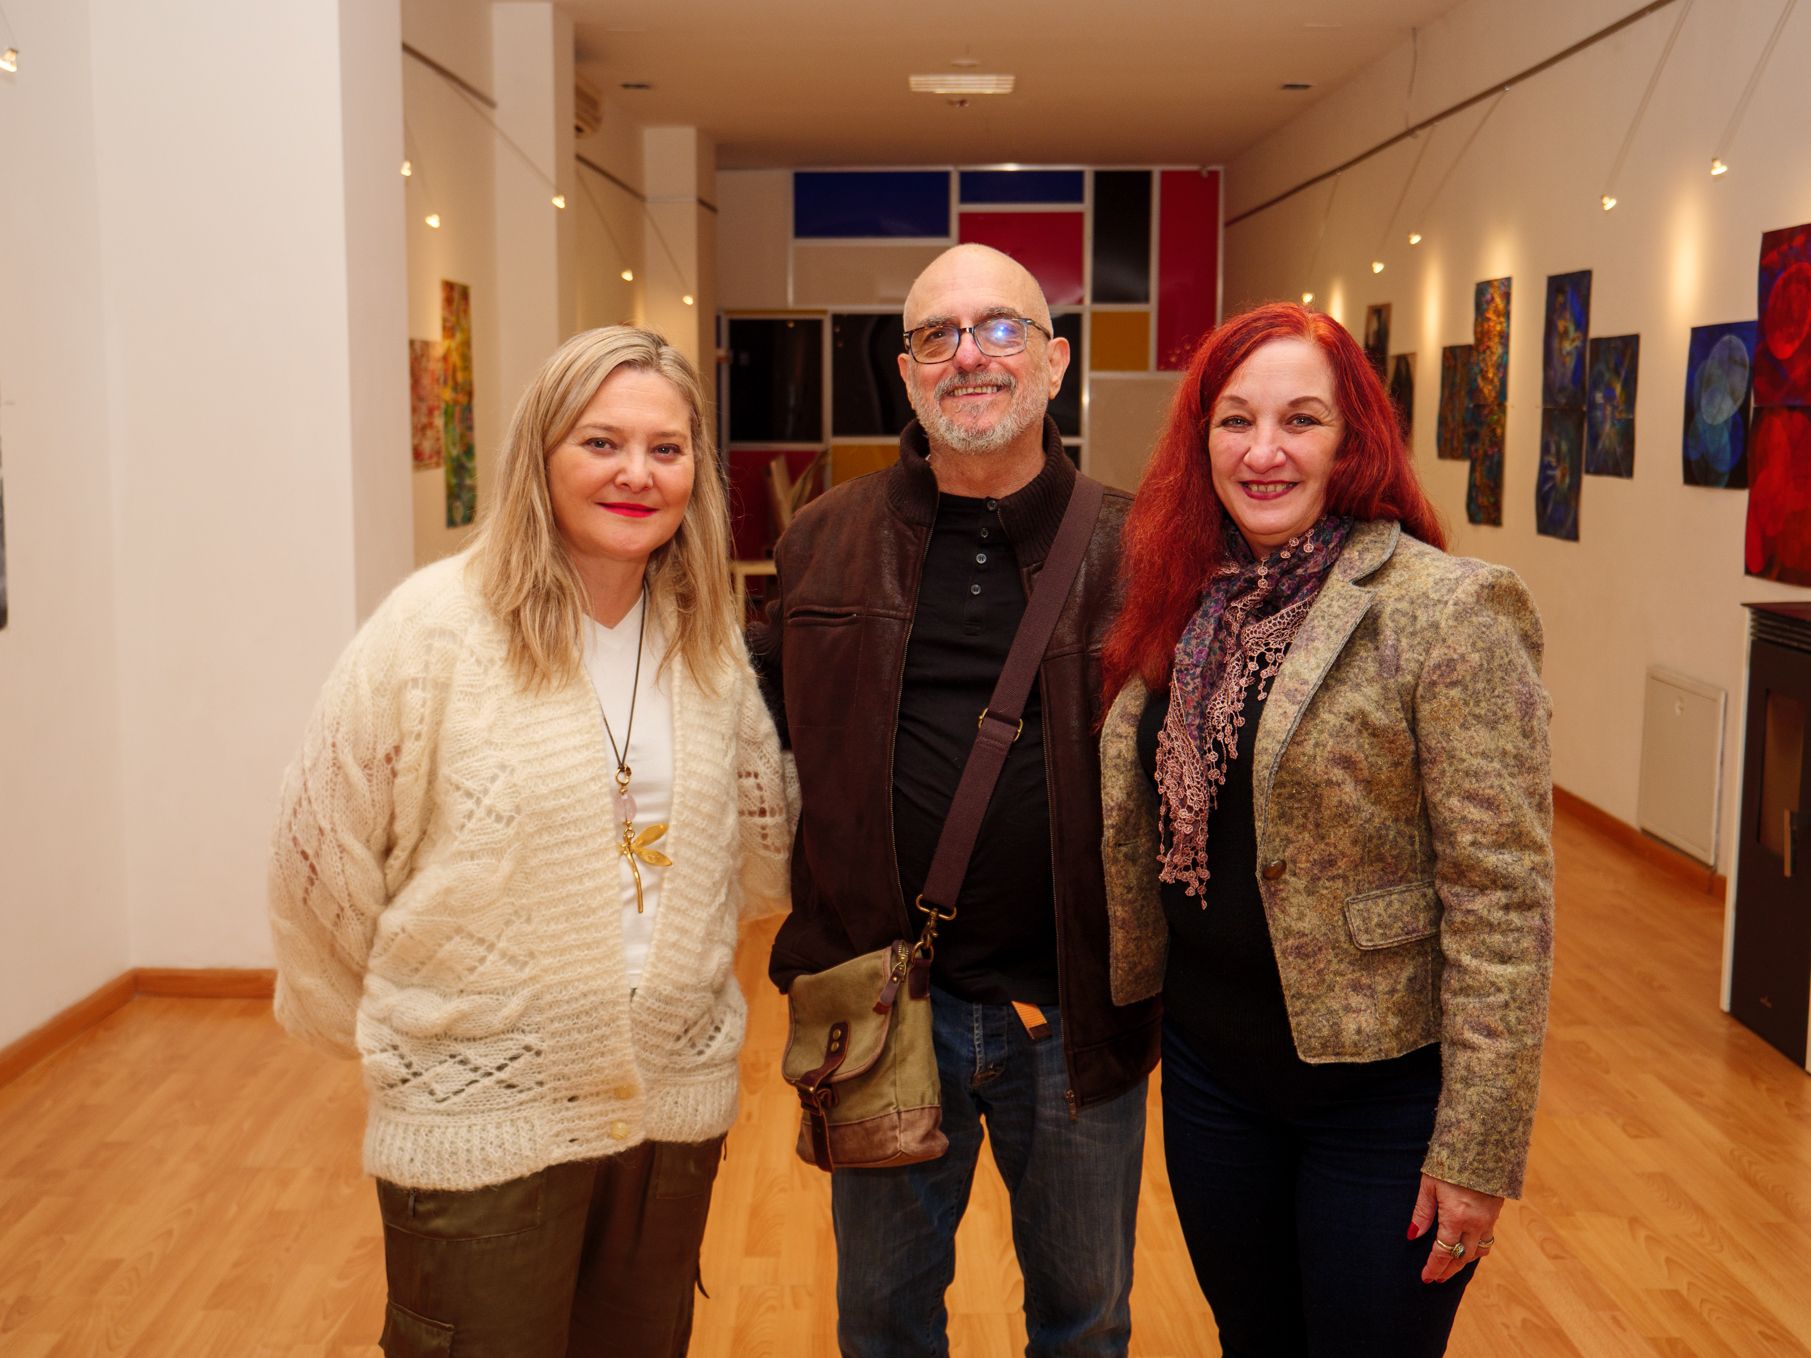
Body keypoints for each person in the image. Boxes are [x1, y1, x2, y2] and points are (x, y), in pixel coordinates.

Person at [267, 326, 792, 1358]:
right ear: (539, 454)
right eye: (601, 442)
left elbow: (754, 853)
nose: (637, 473)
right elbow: (314, 861)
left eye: (666, 447)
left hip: (668, 1115)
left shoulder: (704, 638)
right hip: (477, 1127)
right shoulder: (431, 632)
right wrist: (405, 1039)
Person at [1097, 301, 1553, 1357]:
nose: (1262, 451)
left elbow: (1501, 900)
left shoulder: (1445, 610)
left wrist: (1475, 1148)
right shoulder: (1177, 595)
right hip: (1213, 1076)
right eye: (1232, 419)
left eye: (1300, 419)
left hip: (1381, 1100)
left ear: (1351, 441)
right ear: (1197, 437)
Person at [749, 242, 1161, 1358]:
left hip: (1073, 1017)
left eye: (998, 329)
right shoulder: (821, 542)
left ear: (1053, 361)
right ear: (906, 370)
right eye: (937, 334)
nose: (967, 354)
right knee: (880, 1321)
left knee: (1084, 1321)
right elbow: (747, 728)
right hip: (883, 1012)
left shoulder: (1139, 548)